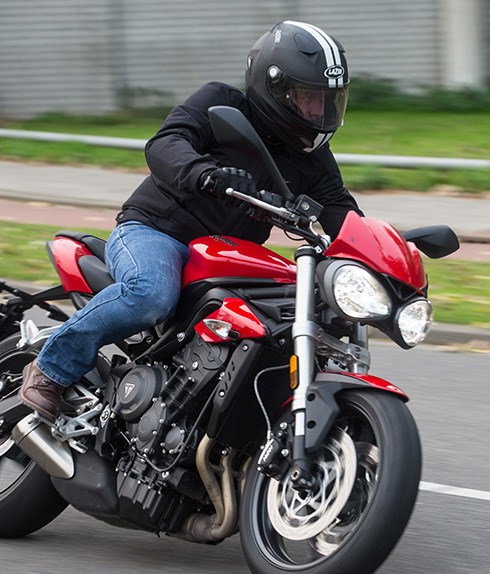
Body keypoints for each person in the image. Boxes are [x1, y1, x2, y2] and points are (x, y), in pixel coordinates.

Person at [19, 20, 361, 420]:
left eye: (328, 99)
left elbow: (342, 212)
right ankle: (50, 369)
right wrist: (206, 175)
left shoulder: (313, 159)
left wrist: (386, 253)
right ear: (276, 89)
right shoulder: (220, 104)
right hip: (156, 232)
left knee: (280, 322)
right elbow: (166, 143)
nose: (319, 111)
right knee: (150, 294)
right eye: (308, 98)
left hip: (228, 259)